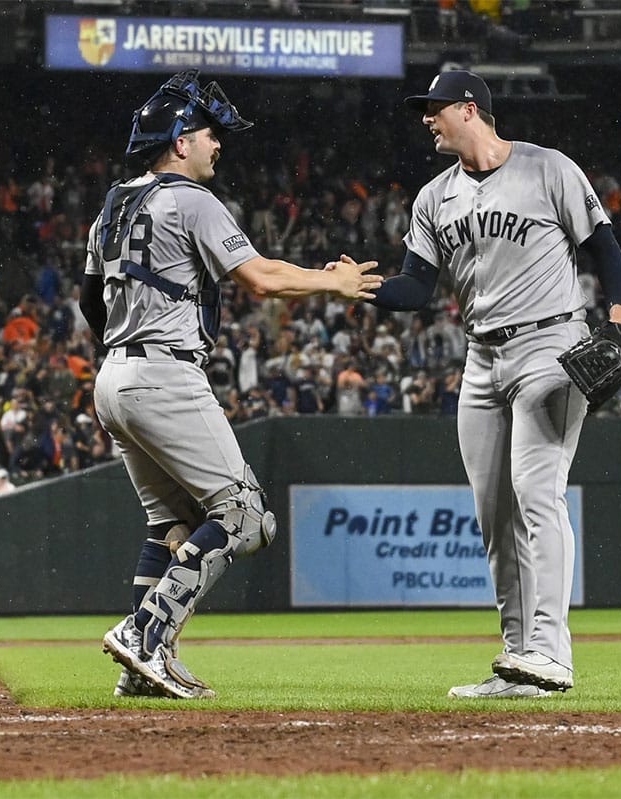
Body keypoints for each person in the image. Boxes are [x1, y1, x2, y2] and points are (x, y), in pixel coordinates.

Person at [80, 71, 381, 700]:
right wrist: (336, 283)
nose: (219, 145)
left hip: (114, 375)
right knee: (244, 517)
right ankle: (143, 635)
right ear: (181, 139)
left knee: (172, 525)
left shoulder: (112, 203)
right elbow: (263, 278)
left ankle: (139, 675)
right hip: (164, 372)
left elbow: (90, 304)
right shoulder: (189, 198)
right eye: (211, 134)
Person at [356, 70, 621, 698]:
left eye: (435, 109)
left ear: (470, 109)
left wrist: (616, 318)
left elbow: (605, 249)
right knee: (494, 516)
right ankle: (517, 661)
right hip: (481, 359)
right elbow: (415, 289)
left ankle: (551, 651)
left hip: (551, 346)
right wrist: (363, 287)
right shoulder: (434, 198)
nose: (426, 119)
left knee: (538, 494)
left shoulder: (547, 168)